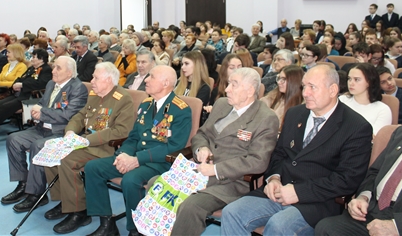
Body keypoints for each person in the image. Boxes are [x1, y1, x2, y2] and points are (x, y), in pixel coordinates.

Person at [221, 65, 373, 235]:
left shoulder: (356, 127)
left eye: (312, 87)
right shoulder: (295, 114)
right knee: (232, 212)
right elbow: (279, 154)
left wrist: (299, 192)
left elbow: (347, 179)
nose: (305, 93)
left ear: (333, 90)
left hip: (318, 201)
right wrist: (273, 178)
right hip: (279, 190)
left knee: (279, 225)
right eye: (304, 86)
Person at [83, 65, 192, 236]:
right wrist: (123, 155)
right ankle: (107, 223)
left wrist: (136, 159)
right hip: (134, 157)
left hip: (160, 163)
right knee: (93, 168)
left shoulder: (180, 109)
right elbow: (133, 137)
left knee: (130, 180)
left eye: (151, 77)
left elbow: (173, 147)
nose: (146, 80)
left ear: (165, 83)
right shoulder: (147, 104)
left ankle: (136, 230)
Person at [171, 68, 280, 235]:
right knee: (156, 184)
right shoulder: (222, 104)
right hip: (200, 171)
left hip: (231, 182)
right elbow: (201, 134)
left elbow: (258, 160)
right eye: (229, 84)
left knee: (191, 206)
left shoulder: (265, 118)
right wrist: (201, 148)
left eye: (233, 85)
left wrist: (215, 169)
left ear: (250, 90)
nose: (227, 89)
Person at [44, 62, 136, 233]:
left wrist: (87, 140)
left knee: (66, 160)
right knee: (53, 152)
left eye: (95, 77)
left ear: (108, 80)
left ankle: (79, 212)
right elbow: (80, 115)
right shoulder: (95, 94)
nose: (91, 80)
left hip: (106, 148)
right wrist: (71, 131)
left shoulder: (123, 99)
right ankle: (66, 201)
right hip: (85, 142)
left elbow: (121, 131)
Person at [0, 56, 89, 213]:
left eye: (58, 68)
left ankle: (36, 194)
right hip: (42, 128)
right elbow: (42, 103)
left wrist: (43, 113)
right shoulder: (51, 84)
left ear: (69, 72)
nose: (53, 71)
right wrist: (35, 109)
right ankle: (23, 184)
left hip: (61, 132)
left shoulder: (78, 88)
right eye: (53, 67)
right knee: (13, 139)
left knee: (38, 146)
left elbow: (68, 114)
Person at [315, 104, 402, 236]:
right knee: (326, 228)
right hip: (372, 210)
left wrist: (398, 227)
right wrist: (364, 197)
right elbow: (374, 172)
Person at [0, 49, 53, 144]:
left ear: (41, 59)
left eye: (34, 57)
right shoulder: (32, 68)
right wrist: (16, 84)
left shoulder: (46, 69)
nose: (31, 59)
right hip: (19, 94)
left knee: (4, 108)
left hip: (29, 98)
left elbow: (41, 84)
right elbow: (20, 78)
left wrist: (22, 85)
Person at [340, 63, 392, 136]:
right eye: (349, 79)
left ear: (369, 82)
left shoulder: (382, 110)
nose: (351, 83)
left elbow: (375, 139)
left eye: (357, 79)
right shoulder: (342, 100)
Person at [260, 65, 305, 130]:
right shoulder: (274, 95)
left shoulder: (303, 104)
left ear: (294, 82)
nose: (279, 82)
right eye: (279, 78)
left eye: (284, 79)